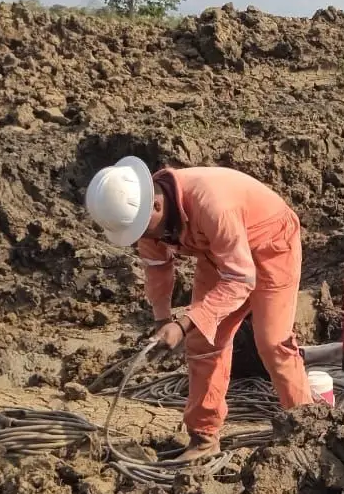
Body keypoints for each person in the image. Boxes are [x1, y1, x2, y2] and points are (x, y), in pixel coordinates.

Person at [85, 157, 313, 461]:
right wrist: (162, 319)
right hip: (219, 253)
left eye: (142, 230)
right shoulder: (148, 221)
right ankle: (203, 438)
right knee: (203, 340)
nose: (142, 238)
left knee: (272, 342)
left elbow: (240, 278)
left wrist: (182, 324)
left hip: (272, 242)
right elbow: (157, 269)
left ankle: (307, 429)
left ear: (155, 206)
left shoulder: (212, 205)